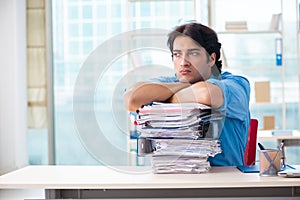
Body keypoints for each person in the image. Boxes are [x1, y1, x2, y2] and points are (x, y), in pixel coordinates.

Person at [123, 22, 250, 166]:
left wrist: (162, 98)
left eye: (193, 53)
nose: (183, 62)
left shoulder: (236, 84)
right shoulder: (171, 81)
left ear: (211, 59)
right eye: (177, 54)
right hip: (174, 177)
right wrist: (186, 88)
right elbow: (132, 99)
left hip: (223, 180)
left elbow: (205, 94)